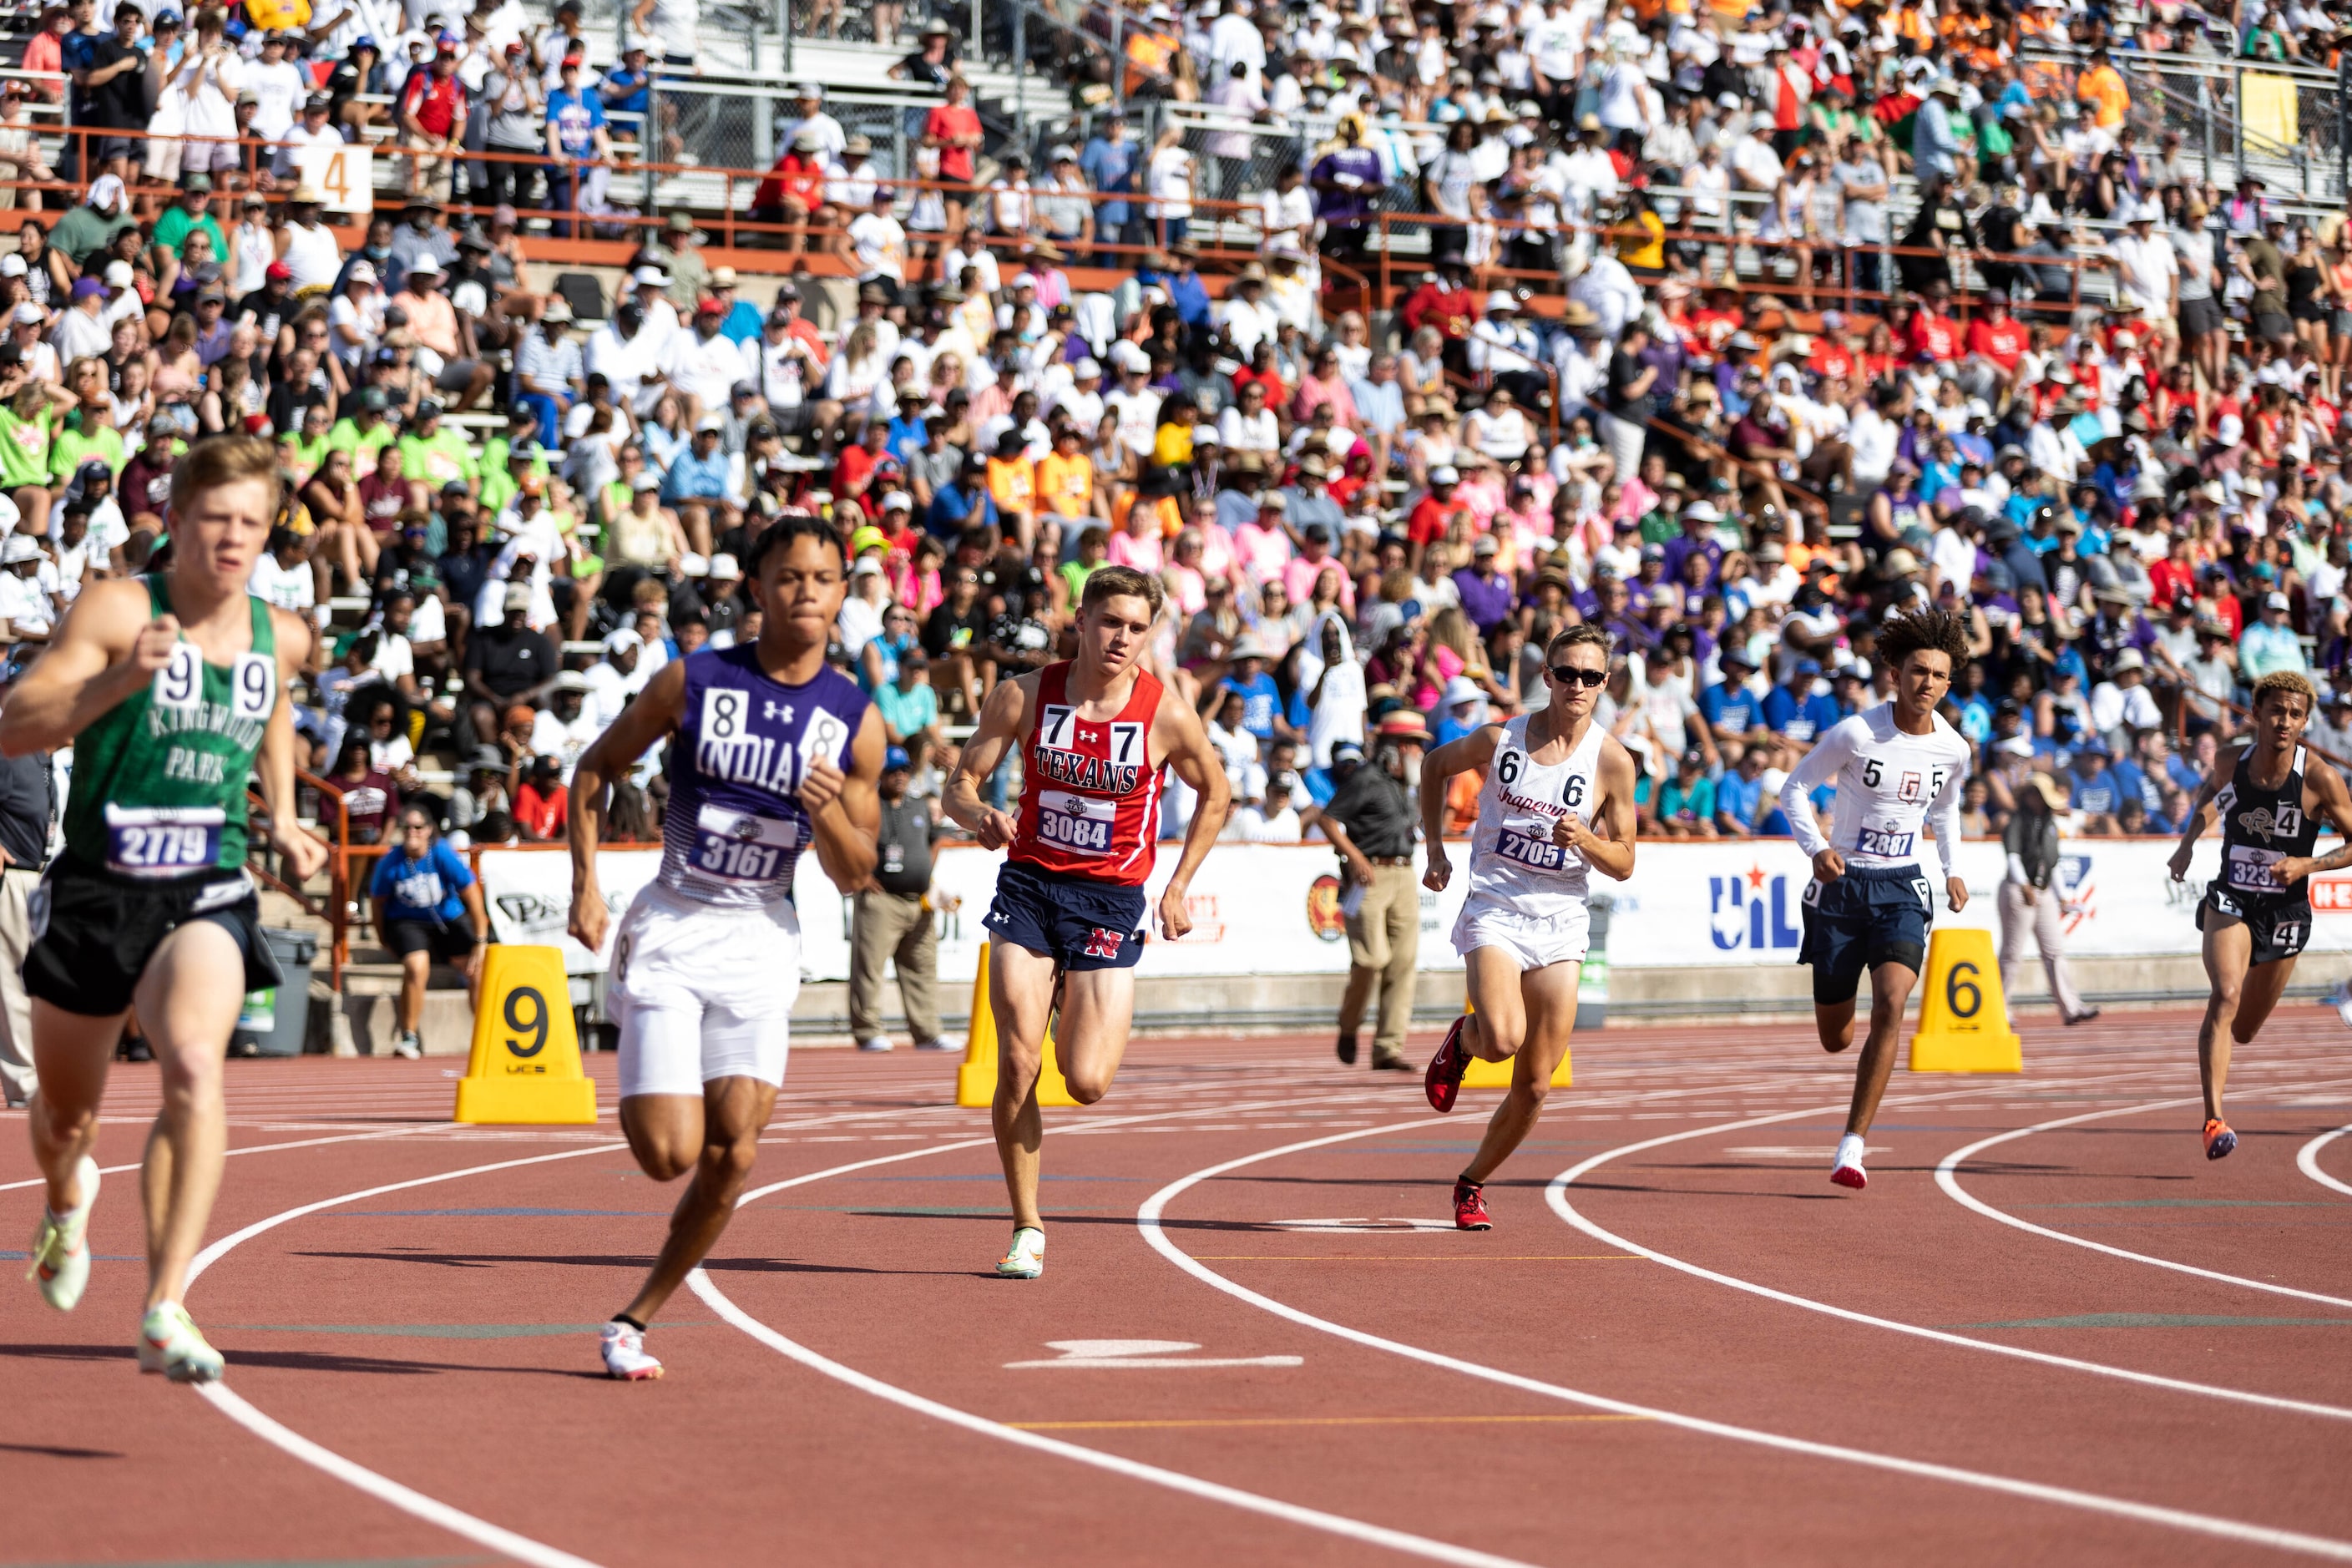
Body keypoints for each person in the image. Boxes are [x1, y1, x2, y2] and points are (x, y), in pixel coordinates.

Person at [6, 433, 326, 1382]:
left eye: (252, 524)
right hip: (101, 887)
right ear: (177, 520)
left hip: (208, 885)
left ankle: (165, 1302)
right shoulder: (116, 608)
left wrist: (288, 814)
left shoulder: (283, 633)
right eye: (215, 519)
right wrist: (118, 682)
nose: (233, 540)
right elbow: (15, 726)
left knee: (194, 1065)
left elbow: (271, 704)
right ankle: (67, 1202)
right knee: (67, 1122)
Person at [565, 513, 883, 1379]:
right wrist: (585, 884)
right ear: (758, 588)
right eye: (788, 577)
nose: (806, 592)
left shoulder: (855, 718)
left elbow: (860, 871)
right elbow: (594, 769)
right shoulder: (693, 680)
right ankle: (654, 1064)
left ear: (843, 594)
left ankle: (634, 1318)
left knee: (736, 1148)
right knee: (669, 1155)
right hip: (675, 924)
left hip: (761, 940)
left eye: (823, 578)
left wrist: (824, 813)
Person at [943, 564, 1230, 1279]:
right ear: (1081, 620)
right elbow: (960, 783)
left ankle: (1075, 990)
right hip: (1031, 887)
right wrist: (978, 815)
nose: (1120, 638)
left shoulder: (1164, 712)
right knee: (1017, 1061)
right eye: (1109, 623)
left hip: (1110, 900)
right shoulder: (1024, 695)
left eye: (1136, 628)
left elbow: (1215, 793)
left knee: (1087, 1081)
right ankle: (1026, 1226)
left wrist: (1178, 885)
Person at [1419, 624, 1638, 1231]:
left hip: (1561, 918)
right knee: (1502, 1040)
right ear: (1546, 676)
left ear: (1603, 684)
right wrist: (1435, 850)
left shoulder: (1612, 760)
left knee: (1536, 1084)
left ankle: (1471, 1184)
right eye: (1565, 673)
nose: (1576, 685)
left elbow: (1624, 862)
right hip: (1496, 905)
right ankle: (1462, 1041)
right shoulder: (1501, 738)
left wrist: (1588, 840)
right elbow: (1434, 767)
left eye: (1590, 677)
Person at [1775, 609, 1974, 1192]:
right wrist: (1815, 848)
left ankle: (1852, 1146)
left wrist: (1952, 869)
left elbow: (1945, 809)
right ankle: (1845, 1018)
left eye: (1939, 676)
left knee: (1892, 1002)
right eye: (1917, 672)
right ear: (1894, 673)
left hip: (1902, 888)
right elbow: (1794, 787)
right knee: (1835, 1038)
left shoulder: (1953, 749)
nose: (1927, 685)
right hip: (1840, 889)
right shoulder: (1856, 733)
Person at [2167, 670, 2352, 1161]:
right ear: (2257, 715)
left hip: (2285, 910)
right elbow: (2212, 798)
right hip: (2232, 897)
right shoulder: (2233, 762)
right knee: (2225, 994)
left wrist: (2308, 864)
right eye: (2276, 711)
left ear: (2306, 720)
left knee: (2245, 1029)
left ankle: (2223, 1080)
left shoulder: (2319, 778)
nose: (2284, 721)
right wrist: (2187, 845)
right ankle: (2214, 1119)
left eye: (2295, 714)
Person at [1317, 721, 1425, 1072]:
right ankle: (1349, 1025)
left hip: (1404, 872)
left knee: (1403, 963)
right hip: (1370, 876)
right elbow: (1328, 819)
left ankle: (1388, 1048)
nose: (1418, 751)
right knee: (1370, 959)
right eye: (1411, 744)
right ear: (1393, 747)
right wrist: (1356, 856)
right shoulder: (1365, 779)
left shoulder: (1404, 785)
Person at [850, 745, 951, 1053]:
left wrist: (925, 873)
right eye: (893, 771)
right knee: (869, 968)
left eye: (904, 770)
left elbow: (935, 839)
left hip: (919, 900)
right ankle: (868, 1031)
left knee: (922, 967)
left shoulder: (919, 805)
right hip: (882, 899)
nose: (900, 776)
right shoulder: (866, 805)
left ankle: (927, 1032)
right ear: (879, 774)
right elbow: (845, 839)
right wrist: (861, 876)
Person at [367, 804, 488, 1060]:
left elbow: (473, 895)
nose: (412, 832)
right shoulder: (390, 863)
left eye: (418, 827)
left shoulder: (442, 855)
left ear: (429, 830)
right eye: (407, 827)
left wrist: (480, 939)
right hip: (406, 921)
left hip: (447, 919)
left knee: (476, 967)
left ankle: (484, 1034)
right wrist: (382, 938)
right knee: (416, 965)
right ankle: (409, 1036)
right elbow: (377, 904)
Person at [1999, 771, 2097, 1027]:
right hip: (2018, 890)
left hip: (2042, 891)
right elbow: (2013, 856)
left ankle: (2071, 1007)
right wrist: (2023, 885)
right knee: (2012, 953)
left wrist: (2063, 896)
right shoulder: (2018, 821)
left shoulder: (2050, 823)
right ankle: (1998, 1007)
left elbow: (2051, 864)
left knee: (2055, 951)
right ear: (2030, 796)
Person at [0, 662, 53, 1108]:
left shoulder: (39, 756)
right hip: (12, 880)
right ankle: (24, 1085)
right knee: (14, 983)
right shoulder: (9, 749)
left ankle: (35, 1078)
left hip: (38, 877)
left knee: (33, 983)